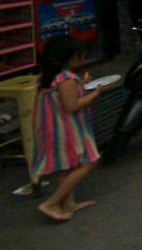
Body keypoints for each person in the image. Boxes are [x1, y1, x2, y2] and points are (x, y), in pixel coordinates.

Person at [32, 36, 110, 221]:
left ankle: (68, 204)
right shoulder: (67, 78)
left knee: (67, 168)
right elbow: (72, 106)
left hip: (56, 129)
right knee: (89, 162)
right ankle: (51, 203)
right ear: (73, 57)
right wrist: (96, 93)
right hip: (68, 130)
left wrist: (82, 84)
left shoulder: (54, 77)